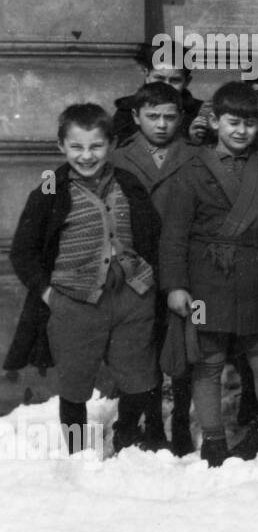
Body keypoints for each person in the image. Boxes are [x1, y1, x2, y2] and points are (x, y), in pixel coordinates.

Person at [159, 82, 258, 471]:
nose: (241, 131)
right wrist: (176, 285)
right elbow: (174, 234)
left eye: (249, 123)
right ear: (214, 122)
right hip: (206, 279)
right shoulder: (191, 170)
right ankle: (213, 443)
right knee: (208, 364)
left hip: (255, 279)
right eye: (232, 123)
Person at [8, 103, 161, 454]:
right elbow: (23, 251)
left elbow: (152, 234)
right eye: (76, 147)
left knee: (138, 379)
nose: (87, 155)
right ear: (61, 146)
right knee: (75, 385)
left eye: (96, 146)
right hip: (75, 304)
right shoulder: (50, 191)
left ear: (111, 145)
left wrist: (148, 280)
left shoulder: (128, 183)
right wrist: (49, 295)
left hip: (132, 298)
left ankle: (125, 437)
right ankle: (78, 454)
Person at [109, 81, 200, 454]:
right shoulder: (118, 157)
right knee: (141, 347)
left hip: (182, 265)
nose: (161, 125)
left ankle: (180, 420)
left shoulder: (196, 155)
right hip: (136, 268)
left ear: (180, 117)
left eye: (169, 117)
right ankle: (149, 424)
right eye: (152, 117)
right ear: (135, 117)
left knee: (179, 345)